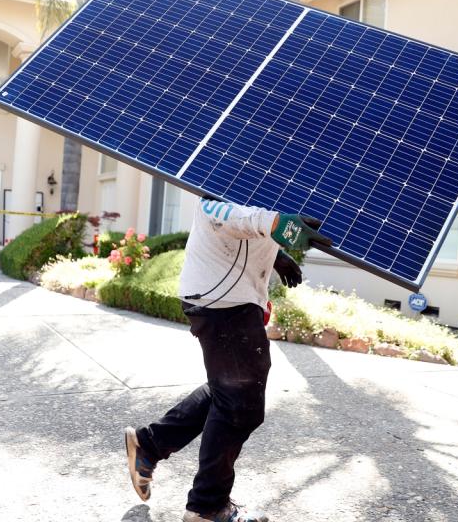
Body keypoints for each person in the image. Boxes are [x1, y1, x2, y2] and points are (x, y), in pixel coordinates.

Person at [124, 197, 331, 522]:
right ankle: (206, 507)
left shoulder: (261, 184)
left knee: (227, 390)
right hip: (223, 302)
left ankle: (149, 444)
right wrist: (276, 227)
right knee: (241, 406)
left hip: (229, 299)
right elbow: (223, 213)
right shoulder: (220, 190)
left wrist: (275, 253)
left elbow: (253, 220)